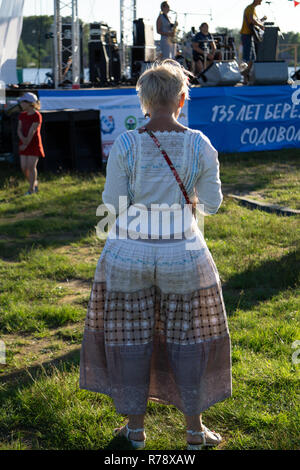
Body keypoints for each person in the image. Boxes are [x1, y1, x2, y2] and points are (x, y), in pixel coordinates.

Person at [79, 60, 232, 450]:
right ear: (182, 98)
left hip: (127, 254)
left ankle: (134, 432)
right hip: (183, 254)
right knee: (190, 341)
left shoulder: (128, 142)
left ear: (144, 102)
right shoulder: (200, 144)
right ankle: (195, 433)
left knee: (131, 339)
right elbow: (212, 205)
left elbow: (113, 203)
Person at [17, 92, 45, 195]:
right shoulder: (22, 115)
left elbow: (32, 131)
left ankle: (31, 189)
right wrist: (23, 141)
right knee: (24, 167)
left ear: (29, 103)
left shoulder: (37, 115)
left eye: (23, 102)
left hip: (33, 144)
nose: (21, 104)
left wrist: (26, 142)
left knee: (31, 166)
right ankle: (33, 183)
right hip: (24, 143)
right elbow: (19, 129)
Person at [240, 0, 267, 83]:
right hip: (246, 35)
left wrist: (262, 20)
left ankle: (246, 75)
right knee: (247, 57)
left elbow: (255, 21)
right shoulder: (250, 8)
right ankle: (244, 77)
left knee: (253, 58)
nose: (261, 1)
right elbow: (252, 20)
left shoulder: (252, 9)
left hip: (250, 35)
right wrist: (261, 25)